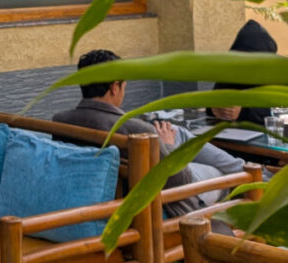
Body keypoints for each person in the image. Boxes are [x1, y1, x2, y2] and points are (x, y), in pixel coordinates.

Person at [53, 50, 245, 210]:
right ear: (114, 87)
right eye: (124, 85)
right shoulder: (136, 130)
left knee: (177, 132)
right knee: (218, 171)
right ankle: (251, 175)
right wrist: (168, 146)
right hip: (163, 197)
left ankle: (247, 170)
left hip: (109, 191)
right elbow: (180, 180)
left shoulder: (61, 121)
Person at [208, 19, 288, 125]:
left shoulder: (284, 74)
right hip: (241, 135)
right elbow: (214, 99)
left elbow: (286, 109)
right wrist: (215, 109)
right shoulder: (233, 71)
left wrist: (243, 112)